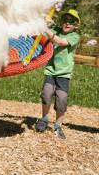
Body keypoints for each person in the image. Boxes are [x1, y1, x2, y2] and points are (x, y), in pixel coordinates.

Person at [35, 9, 81, 139]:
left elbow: (61, 42)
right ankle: (44, 119)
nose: (67, 23)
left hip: (64, 74)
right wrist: (44, 23)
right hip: (50, 70)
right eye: (65, 20)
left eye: (71, 21)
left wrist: (48, 30)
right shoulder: (56, 30)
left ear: (76, 26)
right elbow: (44, 34)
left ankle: (58, 125)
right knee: (46, 94)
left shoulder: (74, 36)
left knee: (61, 100)